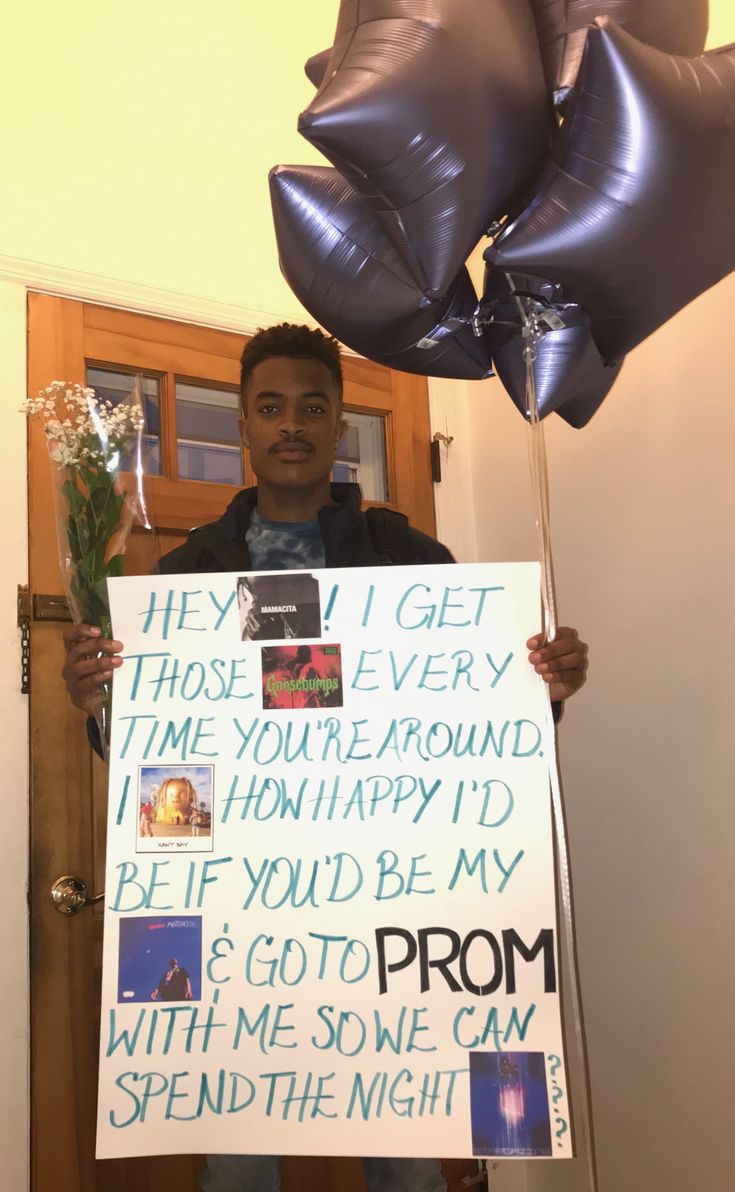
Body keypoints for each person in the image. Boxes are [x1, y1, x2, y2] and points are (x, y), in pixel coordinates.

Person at [62, 322, 589, 1192]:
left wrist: (542, 687)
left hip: (392, 905)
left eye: (312, 405)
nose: (291, 423)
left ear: (337, 422)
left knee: (412, 1153)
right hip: (243, 908)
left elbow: (473, 737)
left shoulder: (412, 561)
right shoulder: (185, 579)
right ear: (243, 427)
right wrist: (102, 707)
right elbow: (156, 771)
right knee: (233, 1155)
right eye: (269, 406)